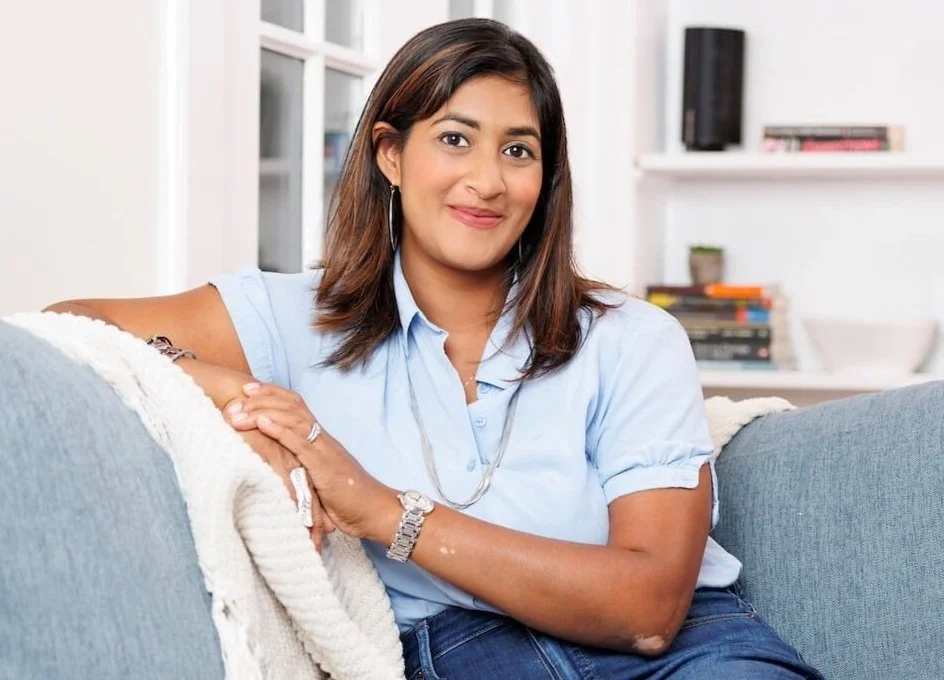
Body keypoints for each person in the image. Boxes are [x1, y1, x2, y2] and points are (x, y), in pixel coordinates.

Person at [44, 18, 823, 679]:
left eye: (519, 151)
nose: (487, 180)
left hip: (686, 656)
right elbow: (71, 325)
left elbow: (649, 610)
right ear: (390, 154)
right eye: (456, 139)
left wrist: (380, 508)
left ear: (545, 176)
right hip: (463, 653)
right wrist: (236, 402)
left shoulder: (631, 337)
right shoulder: (291, 318)